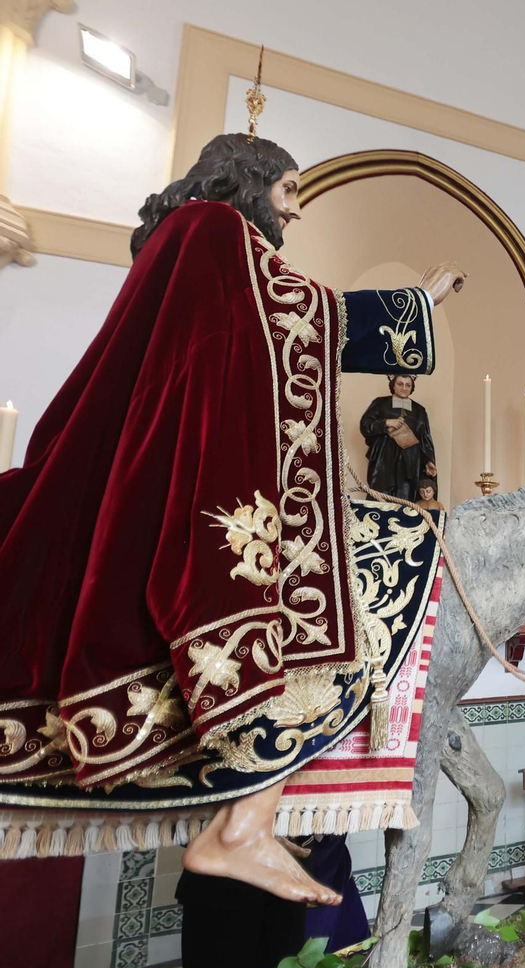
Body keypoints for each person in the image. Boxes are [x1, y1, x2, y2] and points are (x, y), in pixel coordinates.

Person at [0, 129, 465, 904]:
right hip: (190, 472)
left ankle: (246, 822)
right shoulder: (213, 227)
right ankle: (241, 829)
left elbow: (262, 327)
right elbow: (287, 314)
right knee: (314, 609)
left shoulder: (180, 242)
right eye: (289, 192)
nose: (294, 212)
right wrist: (415, 307)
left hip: (162, 461)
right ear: (246, 180)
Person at [359, 373, 437, 503]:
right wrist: (386, 422)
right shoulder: (380, 403)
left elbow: (425, 437)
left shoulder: (419, 410)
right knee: (381, 495)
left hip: (410, 460)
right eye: (400, 384)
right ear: (393, 385)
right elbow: (365, 425)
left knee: (406, 497)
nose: (404, 388)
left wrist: (429, 460)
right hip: (384, 457)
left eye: (408, 385)